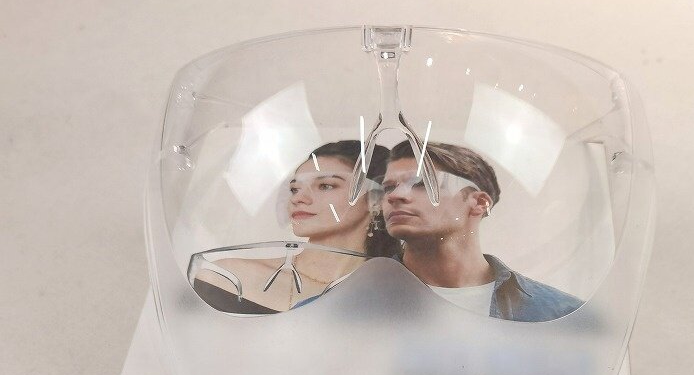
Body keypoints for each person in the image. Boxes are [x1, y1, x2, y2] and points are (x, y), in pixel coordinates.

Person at [379, 140, 582, 321]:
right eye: (388, 187)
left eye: (421, 183)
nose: (394, 196)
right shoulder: (362, 301)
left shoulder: (562, 315)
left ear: (479, 203)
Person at [193, 141, 399, 313]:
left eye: (325, 185)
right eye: (294, 189)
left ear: (376, 199)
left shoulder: (393, 295)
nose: (299, 198)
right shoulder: (227, 277)